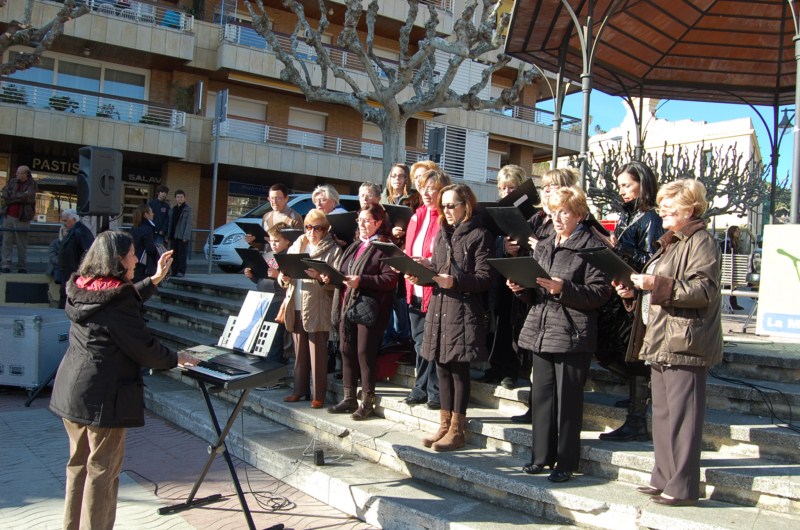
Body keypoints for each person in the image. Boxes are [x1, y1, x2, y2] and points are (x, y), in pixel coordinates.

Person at [48, 230, 197, 530]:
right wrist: (175, 358)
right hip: (104, 396)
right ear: (117, 260)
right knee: (103, 471)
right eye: (131, 255)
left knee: (78, 467)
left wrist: (153, 279)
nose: (135, 259)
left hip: (72, 390)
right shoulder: (117, 299)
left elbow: (118, 298)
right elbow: (142, 345)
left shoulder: (81, 285)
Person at [615, 178, 722, 506]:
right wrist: (633, 293)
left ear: (690, 208)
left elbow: (703, 291)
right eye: (661, 203)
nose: (661, 209)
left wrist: (655, 283)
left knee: (683, 417)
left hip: (685, 340)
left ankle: (684, 485)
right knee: (662, 414)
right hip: (661, 337)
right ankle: (663, 476)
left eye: (669, 205)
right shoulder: (671, 242)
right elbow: (661, 289)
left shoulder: (701, 241)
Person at [512, 186, 613, 483]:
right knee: (541, 396)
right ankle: (541, 456)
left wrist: (563, 288)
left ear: (579, 214)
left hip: (572, 332)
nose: (557, 218)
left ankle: (566, 461)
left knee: (568, 400)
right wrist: (522, 289)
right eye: (552, 212)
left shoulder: (592, 245)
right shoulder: (543, 244)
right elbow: (536, 290)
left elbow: (600, 293)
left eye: (564, 212)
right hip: (541, 329)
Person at [409, 183, 493, 452]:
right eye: (442, 206)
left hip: (463, 310)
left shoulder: (480, 234)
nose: (445, 211)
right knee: (441, 367)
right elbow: (438, 267)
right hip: (440, 307)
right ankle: (444, 424)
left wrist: (453, 281)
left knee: (459, 370)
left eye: (450, 205)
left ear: (465, 205)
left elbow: (485, 279)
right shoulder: (441, 233)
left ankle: (458, 429)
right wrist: (424, 268)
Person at [595, 161, 664, 442]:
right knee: (604, 348)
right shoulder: (628, 216)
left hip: (638, 297)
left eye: (626, 185)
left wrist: (617, 248)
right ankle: (640, 394)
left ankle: (638, 414)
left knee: (633, 355)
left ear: (642, 184)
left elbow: (652, 260)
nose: (621, 190)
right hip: (621, 292)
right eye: (620, 185)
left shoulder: (651, 218)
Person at [327, 204, 398, 420]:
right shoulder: (354, 245)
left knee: (364, 354)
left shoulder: (385, 246)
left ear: (378, 222)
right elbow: (343, 273)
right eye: (360, 220)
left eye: (367, 220)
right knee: (346, 350)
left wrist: (362, 281)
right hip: (347, 305)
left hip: (370, 307)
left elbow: (390, 279)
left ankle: (367, 401)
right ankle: (349, 397)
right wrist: (328, 277)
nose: (362, 224)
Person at [278, 209, 342, 408]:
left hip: (318, 305)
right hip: (296, 303)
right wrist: (284, 278)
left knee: (318, 354)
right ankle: (299, 390)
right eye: (308, 227)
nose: (312, 232)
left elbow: (337, 282)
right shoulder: (298, 244)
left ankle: (318, 394)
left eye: (317, 228)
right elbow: (283, 272)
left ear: (325, 230)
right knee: (300, 352)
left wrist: (320, 278)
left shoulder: (333, 250)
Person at [401, 169, 451, 411]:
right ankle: (420, 387)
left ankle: (434, 391)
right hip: (414, 287)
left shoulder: (445, 218)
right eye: (423, 187)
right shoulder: (417, 215)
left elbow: (444, 257)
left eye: (433, 187)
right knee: (419, 342)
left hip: (435, 289)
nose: (427, 192)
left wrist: (427, 261)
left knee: (432, 343)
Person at [480, 164, 530, 390]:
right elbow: (489, 239)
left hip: (521, 273)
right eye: (502, 188)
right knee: (496, 320)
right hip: (498, 274)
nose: (507, 193)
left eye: (511, 188)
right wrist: (502, 244)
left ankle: (512, 369)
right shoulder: (496, 210)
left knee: (513, 322)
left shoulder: (532, 212)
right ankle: (495, 366)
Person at [380, 164, 417, 348]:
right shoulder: (383, 199)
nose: (396, 179)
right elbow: (378, 225)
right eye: (393, 175)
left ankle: (403, 335)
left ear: (406, 179)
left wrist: (403, 231)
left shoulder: (412, 199)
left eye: (401, 176)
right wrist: (390, 231)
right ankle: (389, 336)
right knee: (389, 294)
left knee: (401, 296)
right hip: (387, 248)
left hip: (404, 250)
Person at [244, 222, 292, 365]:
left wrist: (278, 275)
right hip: (262, 299)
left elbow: (291, 283)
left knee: (274, 337)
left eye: (277, 241)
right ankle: (261, 366)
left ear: (287, 241)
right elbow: (261, 279)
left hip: (278, 300)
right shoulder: (268, 255)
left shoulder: (288, 257)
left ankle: (273, 370)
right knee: (261, 334)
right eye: (271, 241)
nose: (273, 244)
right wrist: (252, 276)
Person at [1, 165, 37, 273]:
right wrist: (19, 196)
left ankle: (21, 266)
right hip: (9, 216)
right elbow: (5, 194)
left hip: (22, 217)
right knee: (7, 241)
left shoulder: (32, 184)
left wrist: (14, 196)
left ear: (26, 174)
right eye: (17, 172)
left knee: (21, 243)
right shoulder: (12, 181)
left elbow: (28, 197)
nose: (17, 175)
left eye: (19, 173)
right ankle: (6, 264)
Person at [245, 183, 303, 251]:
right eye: (272, 198)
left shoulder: (295, 218)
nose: (274, 202)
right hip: (268, 259)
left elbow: (299, 246)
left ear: (286, 198)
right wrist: (252, 241)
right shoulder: (266, 217)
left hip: (284, 259)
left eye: (278, 198)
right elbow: (264, 246)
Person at [57, 209, 95, 309]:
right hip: (70, 271)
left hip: (74, 272)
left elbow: (88, 252)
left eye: (65, 221)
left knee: (70, 297)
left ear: (73, 219)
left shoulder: (80, 231)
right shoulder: (74, 231)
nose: (63, 223)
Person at [167, 190, 193, 278]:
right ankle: (173, 271)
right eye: (178, 197)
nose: (180, 198)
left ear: (184, 198)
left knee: (182, 254)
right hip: (173, 235)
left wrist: (186, 236)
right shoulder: (172, 210)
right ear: (175, 198)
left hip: (182, 236)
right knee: (173, 254)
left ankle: (181, 271)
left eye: (181, 197)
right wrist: (168, 235)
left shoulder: (188, 209)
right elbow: (170, 223)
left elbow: (189, 224)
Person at [131, 203, 158, 283]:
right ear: (146, 214)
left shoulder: (134, 227)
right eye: (151, 212)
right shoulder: (148, 229)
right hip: (143, 265)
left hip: (133, 261)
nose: (153, 214)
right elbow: (150, 249)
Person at [723, 225, 743, 310]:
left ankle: (732, 303)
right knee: (729, 285)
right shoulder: (728, 242)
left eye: (739, 231)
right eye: (736, 231)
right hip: (728, 266)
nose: (738, 233)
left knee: (733, 285)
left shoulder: (735, 242)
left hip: (733, 266)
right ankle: (731, 304)